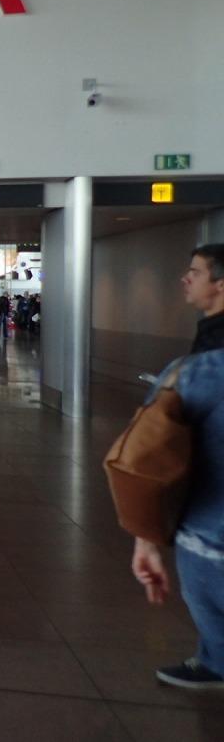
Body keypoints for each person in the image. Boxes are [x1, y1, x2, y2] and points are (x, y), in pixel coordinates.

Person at [128, 244, 224, 689]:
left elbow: (148, 454)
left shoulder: (196, 370)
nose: (186, 279)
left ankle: (216, 662)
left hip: (210, 525)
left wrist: (147, 538)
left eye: (195, 272)